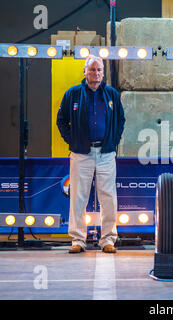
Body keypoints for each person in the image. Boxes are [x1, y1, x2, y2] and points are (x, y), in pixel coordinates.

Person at [57, 55, 125, 254]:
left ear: (103, 73)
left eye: (99, 70)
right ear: (84, 72)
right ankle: (78, 240)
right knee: (78, 197)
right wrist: (74, 141)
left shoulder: (111, 94)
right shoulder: (73, 94)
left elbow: (121, 120)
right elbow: (61, 121)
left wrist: (113, 140)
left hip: (106, 153)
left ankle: (108, 240)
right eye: (92, 70)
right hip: (81, 154)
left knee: (109, 198)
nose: (96, 73)